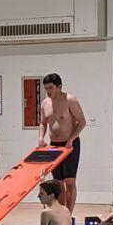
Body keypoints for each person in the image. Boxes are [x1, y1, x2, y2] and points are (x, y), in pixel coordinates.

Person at [38, 73, 86, 215]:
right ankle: (61, 212)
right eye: (46, 88)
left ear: (59, 87)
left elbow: (82, 122)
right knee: (58, 183)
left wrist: (71, 139)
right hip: (54, 145)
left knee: (69, 181)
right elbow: (43, 122)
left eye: (51, 88)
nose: (48, 91)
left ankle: (68, 214)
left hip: (70, 144)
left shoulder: (70, 100)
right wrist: (41, 138)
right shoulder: (45, 103)